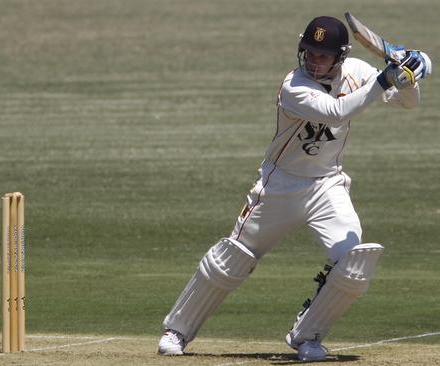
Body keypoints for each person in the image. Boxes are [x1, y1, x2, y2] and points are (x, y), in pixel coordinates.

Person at [157, 16, 432, 362]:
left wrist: (408, 74)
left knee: (354, 263)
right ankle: (176, 330)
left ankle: (308, 337)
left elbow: (408, 103)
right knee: (231, 259)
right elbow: (336, 111)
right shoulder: (294, 86)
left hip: (327, 184)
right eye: (309, 53)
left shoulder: (358, 72)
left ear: (340, 56)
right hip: (279, 186)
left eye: (322, 56)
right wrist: (386, 76)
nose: (314, 61)